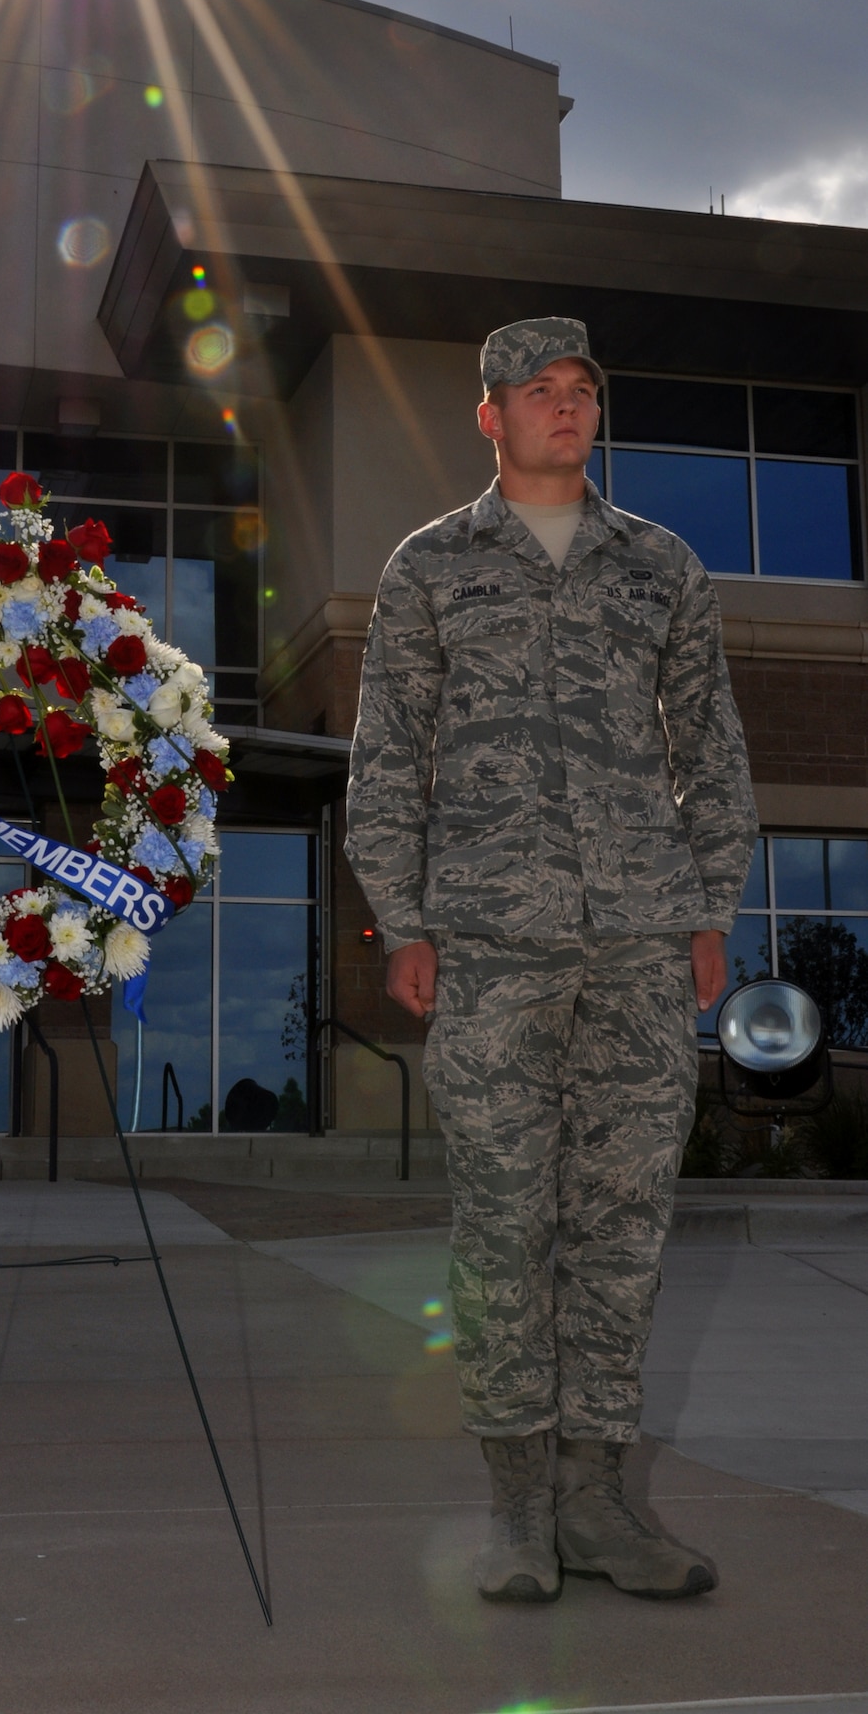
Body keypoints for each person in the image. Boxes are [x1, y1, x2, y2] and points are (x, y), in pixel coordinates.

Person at [346, 318, 756, 1604]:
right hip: (486, 947)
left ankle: (597, 1502)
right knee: (503, 1227)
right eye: (538, 391)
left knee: (623, 1228)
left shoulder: (659, 566)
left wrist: (707, 907)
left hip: (639, 944)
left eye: (580, 391)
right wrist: (403, 920)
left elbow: (712, 747)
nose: (565, 408)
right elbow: (384, 758)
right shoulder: (427, 568)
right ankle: (517, 1510)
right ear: (490, 415)